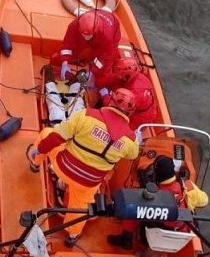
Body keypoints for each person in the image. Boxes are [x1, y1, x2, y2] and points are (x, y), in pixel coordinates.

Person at [29, 88, 140, 246]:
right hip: (89, 182)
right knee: (79, 205)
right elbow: (133, 154)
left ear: (110, 101)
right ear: (130, 113)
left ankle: (35, 163)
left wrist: (39, 149)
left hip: (64, 167)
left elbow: (56, 137)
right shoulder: (131, 141)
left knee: (47, 132)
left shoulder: (86, 115)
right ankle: (73, 235)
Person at [107, 155, 209, 250]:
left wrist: (144, 184)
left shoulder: (154, 194)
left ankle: (126, 240)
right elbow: (204, 202)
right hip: (182, 234)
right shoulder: (188, 186)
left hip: (155, 234)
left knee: (133, 206)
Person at [50, 9, 121, 88]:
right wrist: (64, 63)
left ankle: (103, 86)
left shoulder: (106, 36)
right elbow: (67, 44)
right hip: (88, 33)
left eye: (88, 35)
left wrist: (92, 72)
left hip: (110, 33)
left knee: (104, 69)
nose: (86, 38)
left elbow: (105, 58)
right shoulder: (74, 25)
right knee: (58, 57)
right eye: (84, 35)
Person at [98, 57, 157, 129]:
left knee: (119, 127)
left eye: (120, 75)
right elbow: (115, 77)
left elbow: (116, 109)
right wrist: (98, 83)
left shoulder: (134, 95)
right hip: (136, 103)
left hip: (139, 117)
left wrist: (105, 96)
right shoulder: (132, 76)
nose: (118, 76)